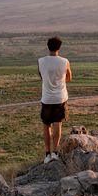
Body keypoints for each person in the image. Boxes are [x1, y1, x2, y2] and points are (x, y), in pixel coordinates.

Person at [38, 35, 72, 163]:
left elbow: (42, 77)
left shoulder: (41, 61)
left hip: (46, 97)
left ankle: (47, 154)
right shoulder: (64, 61)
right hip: (60, 97)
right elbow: (69, 77)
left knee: (46, 125)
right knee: (58, 123)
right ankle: (55, 152)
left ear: (48, 47)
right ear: (59, 47)